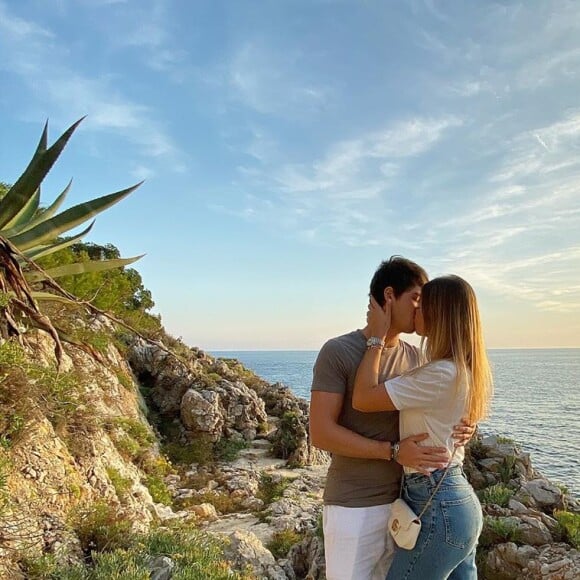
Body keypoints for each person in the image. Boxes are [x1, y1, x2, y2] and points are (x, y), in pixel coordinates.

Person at [309, 257, 475, 580]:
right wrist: (393, 451)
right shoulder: (338, 351)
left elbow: (443, 402)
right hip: (354, 505)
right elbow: (321, 433)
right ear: (389, 297)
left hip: (409, 506)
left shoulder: (417, 358)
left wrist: (465, 427)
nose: (422, 307)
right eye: (416, 298)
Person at [352, 275, 493, 579]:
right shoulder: (460, 369)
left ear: (438, 314)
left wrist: (377, 337)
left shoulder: (439, 374)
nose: (415, 309)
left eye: (422, 304)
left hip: (437, 504)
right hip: (455, 500)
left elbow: (362, 398)